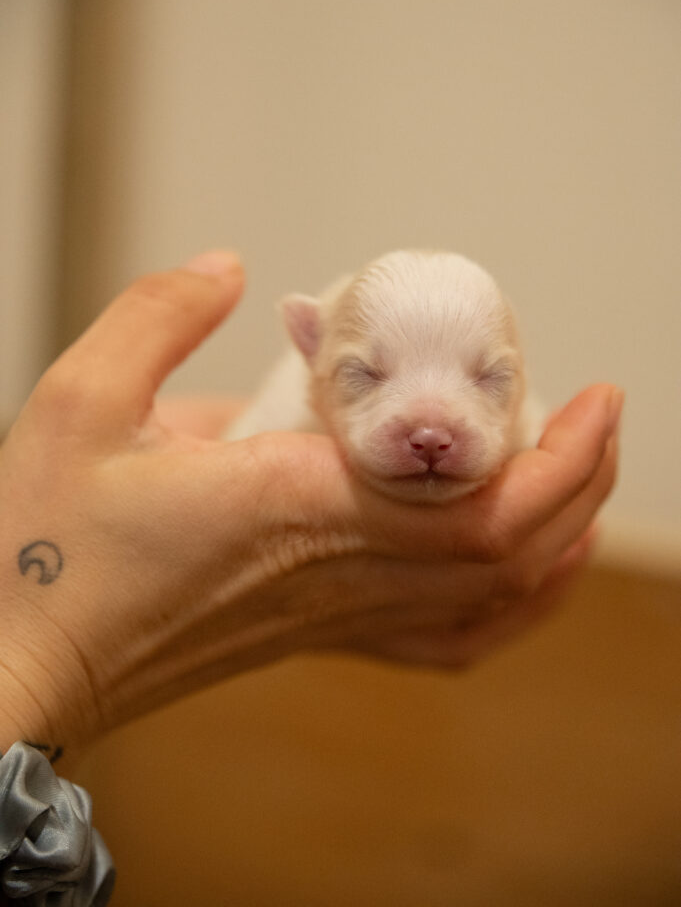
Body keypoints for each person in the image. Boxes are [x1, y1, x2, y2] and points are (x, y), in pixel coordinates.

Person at [0, 250, 620, 900]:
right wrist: (62, 662)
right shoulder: (276, 413)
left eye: (490, 379)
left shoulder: (519, 429)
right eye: (365, 374)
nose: (431, 430)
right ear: (307, 344)